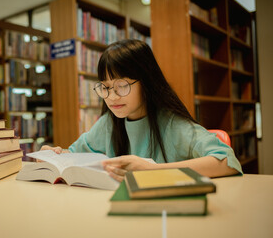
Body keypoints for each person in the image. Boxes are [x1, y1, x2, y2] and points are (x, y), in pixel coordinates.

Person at [41, 39, 242, 182]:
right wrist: (57, 154)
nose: (111, 97)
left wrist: (153, 170)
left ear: (146, 83)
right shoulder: (108, 124)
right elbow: (75, 153)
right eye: (105, 87)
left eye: (122, 85)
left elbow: (228, 162)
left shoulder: (172, 124)